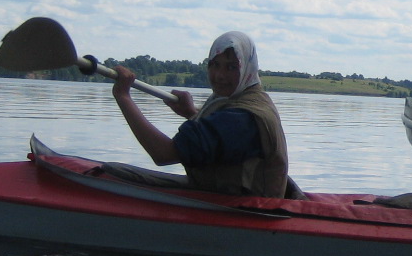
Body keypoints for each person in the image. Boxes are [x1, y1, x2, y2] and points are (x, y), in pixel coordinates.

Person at [110, 31, 291, 198]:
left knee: (116, 172)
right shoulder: (250, 97)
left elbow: (163, 154)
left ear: (246, 69)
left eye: (231, 67)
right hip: (228, 197)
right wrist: (191, 113)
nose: (220, 75)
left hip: (246, 212)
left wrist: (123, 96)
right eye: (214, 64)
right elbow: (222, 140)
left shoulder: (242, 118)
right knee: (113, 171)